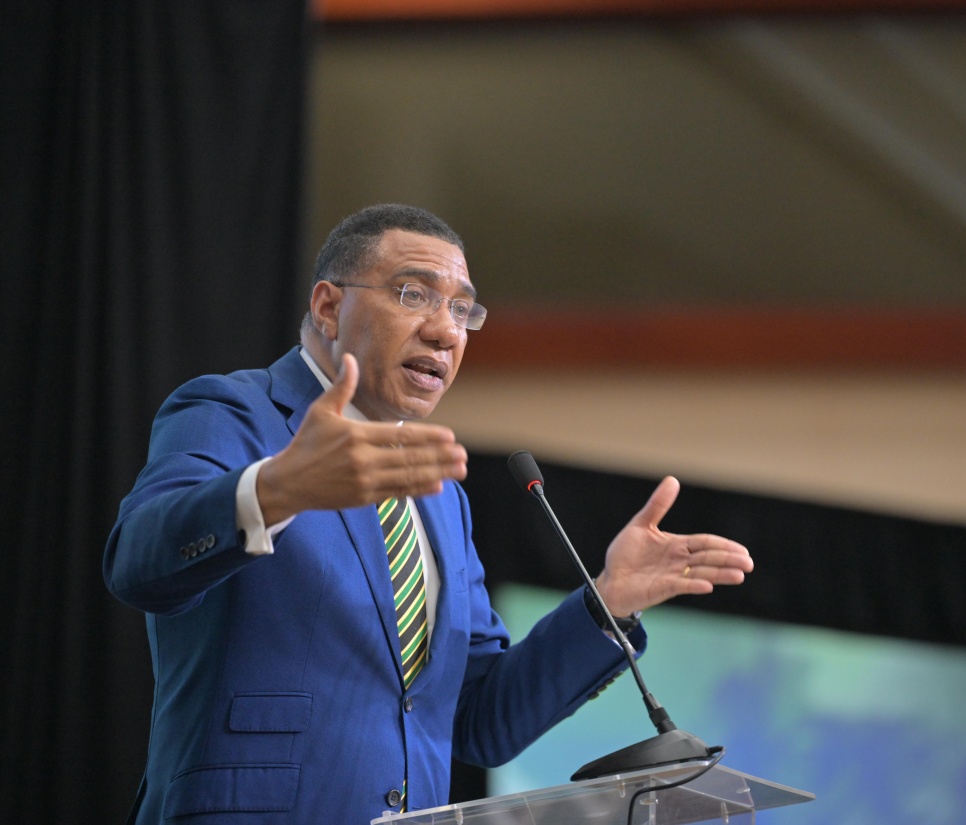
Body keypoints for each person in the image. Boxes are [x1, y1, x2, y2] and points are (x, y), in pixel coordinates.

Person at [104, 204, 754, 825]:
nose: (446, 330)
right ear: (329, 307)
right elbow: (138, 560)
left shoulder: (439, 498)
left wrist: (606, 603)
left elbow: (481, 719)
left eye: (462, 308)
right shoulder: (238, 413)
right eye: (414, 294)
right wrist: (279, 488)